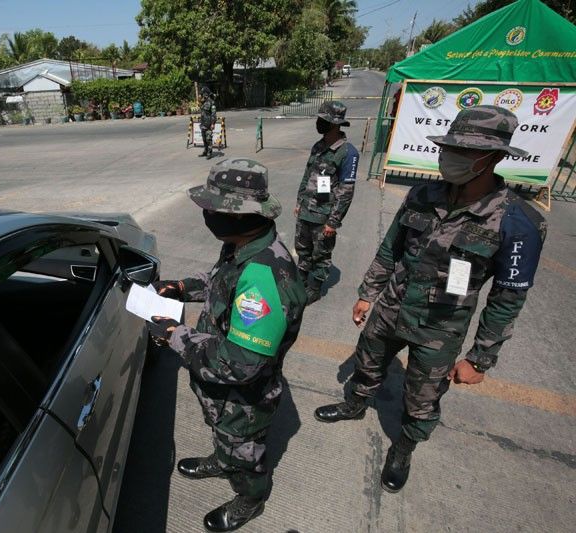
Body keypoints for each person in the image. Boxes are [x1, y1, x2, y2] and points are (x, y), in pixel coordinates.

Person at [314, 105, 546, 493]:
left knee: (422, 398)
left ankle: (404, 448)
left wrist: (479, 358)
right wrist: (368, 294)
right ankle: (355, 405)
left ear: (491, 159)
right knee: (368, 362)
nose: (449, 157)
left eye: (463, 152)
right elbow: (391, 248)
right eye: (449, 147)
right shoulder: (423, 194)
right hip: (391, 307)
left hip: (441, 327)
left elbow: (507, 299)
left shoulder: (519, 221)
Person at [149, 158, 307, 532]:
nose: (205, 214)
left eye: (211, 208)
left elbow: (241, 363)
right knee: (226, 437)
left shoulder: (265, 276)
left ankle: (250, 498)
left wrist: (175, 334)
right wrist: (183, 287)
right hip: (222, 392)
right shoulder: (243, 245)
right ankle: (223, 460)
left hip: (243, 396)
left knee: (245, 449)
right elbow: (220, 282)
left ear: (236, 215)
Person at [294, 100, 360, 304]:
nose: (318, 123)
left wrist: (333, 221)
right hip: (307, 209)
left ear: (335, 124)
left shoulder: (348, 152)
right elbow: (307, 175)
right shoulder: (319, 146)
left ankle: (314, 287)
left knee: (321, 253)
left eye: (322, 120)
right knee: (302, 248)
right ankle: (301, 280)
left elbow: (346, 191)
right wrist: (299, 201)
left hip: (324, 215)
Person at [198, 87, 217, 159]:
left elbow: (213, 114)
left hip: (209, 123)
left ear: (206, 94)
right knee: (204, 138)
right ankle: (205, 151)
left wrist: (213, 123)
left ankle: (210, 152)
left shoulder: (211, 102)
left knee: (208, 138)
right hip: (203, 124)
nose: (202, 95)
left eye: (203, 94)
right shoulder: (204, 102)